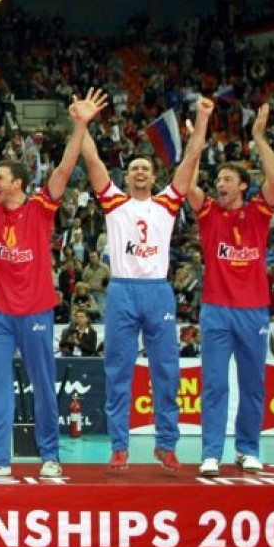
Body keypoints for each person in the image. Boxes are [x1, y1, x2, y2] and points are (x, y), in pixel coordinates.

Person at [0, 90, 101, 479]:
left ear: (17, 182)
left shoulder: (40, 207)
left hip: (35, 310)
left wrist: (80, 125)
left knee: (43, 384)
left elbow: (65, 169)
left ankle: (50, 456)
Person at [83, 95, 212, 473]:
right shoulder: (114, 202)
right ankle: (119, 447)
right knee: (118, 372)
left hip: (157, 290)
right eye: (134, 168)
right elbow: (92, 160)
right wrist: (82, 124)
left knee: (167, 372)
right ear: (126, 176)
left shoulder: (168, 203)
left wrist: (202, 120)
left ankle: (166, 445)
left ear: (155, 177)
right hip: (122, 290)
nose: (140, 172)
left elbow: (190, 158)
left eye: (145, 168)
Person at [188, 101, 274, 476]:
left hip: (253, 310)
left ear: (242, 184)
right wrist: (199, 133)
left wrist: (258, 136)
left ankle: (247, 449)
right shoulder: (209, 213)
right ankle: (211, 453)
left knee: (253, 385)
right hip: (215, 310)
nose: (220, 184)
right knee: (213, 385)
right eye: (219, 179)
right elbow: (187, 184)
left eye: (227, 179)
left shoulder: (258, 212)